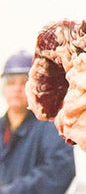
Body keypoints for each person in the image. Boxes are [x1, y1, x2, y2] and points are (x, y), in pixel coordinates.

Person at [0, 50, 76, 194]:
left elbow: (59, 171)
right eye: (11, 82)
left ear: (35, 89)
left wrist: (11, 191)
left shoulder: (51, 127)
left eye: (24, 83)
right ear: (3, 89)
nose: (17, 89)